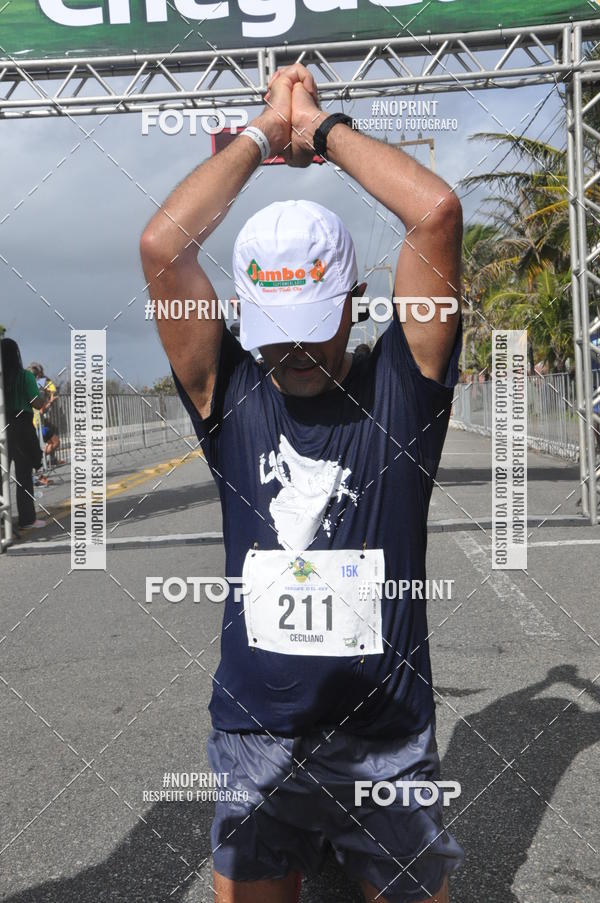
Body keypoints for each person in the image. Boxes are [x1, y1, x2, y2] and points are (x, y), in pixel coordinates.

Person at [140, 63, 463, 903]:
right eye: (275, 333)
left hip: (385, 742)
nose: (293, 353)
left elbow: (435, 213)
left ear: (355, 300)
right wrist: (259, 133)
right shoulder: (231, 395)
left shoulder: (405, 387)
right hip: (257, 738)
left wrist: (318, 130)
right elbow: (163, 247)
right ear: (242, 310)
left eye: (312, 330)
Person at [1, 339, 46, 529]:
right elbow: (37, 403)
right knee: (24, 475)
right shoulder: (25, 376)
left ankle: (3, 522)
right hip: (22, 427)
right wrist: (41, 394)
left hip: (2, 425)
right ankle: (27, 519)